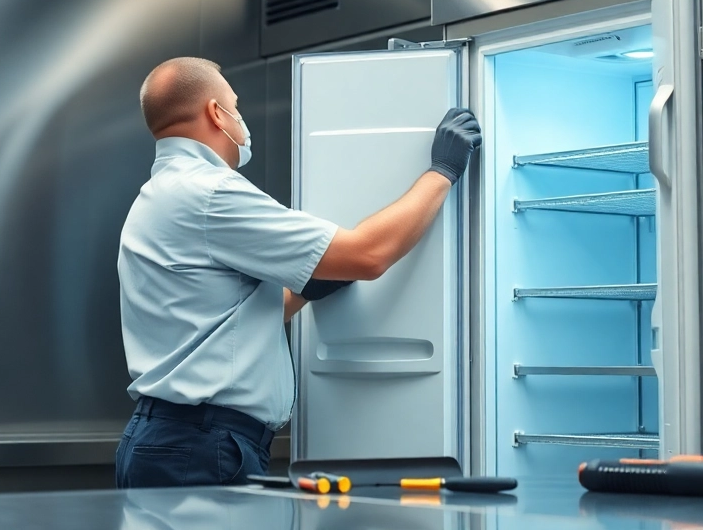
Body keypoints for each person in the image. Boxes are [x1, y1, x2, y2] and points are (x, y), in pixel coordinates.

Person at [115, 57, 481, 488]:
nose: (241, 120)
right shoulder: (212, 192)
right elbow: (369, 254)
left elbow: (217, 324)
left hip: (169, 439)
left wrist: (309, 288)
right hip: (198, 445)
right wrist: (441, 172)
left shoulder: (155, 197)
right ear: (217, 112)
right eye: (236, 107)